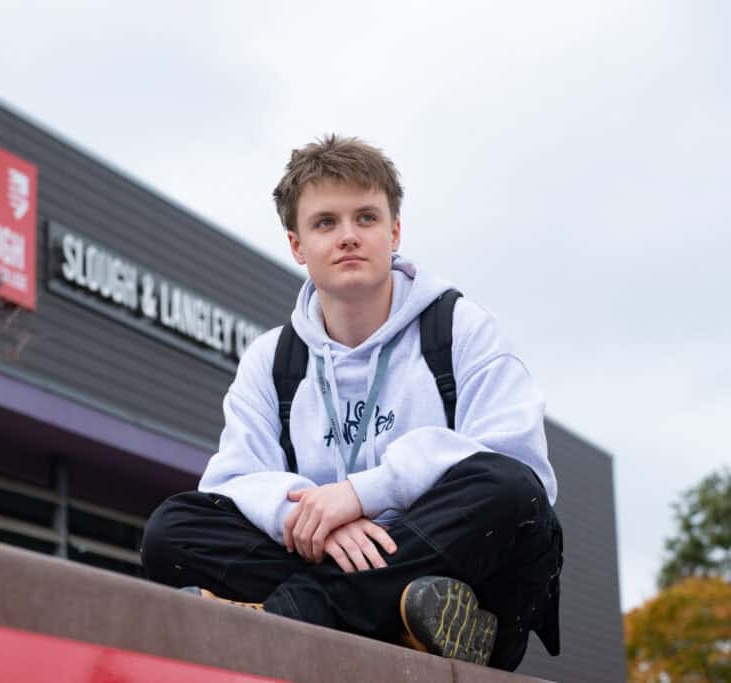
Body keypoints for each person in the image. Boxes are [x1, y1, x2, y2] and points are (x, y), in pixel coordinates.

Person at [140, 135, 562, 671]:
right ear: (296, 245)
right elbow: (232, 478)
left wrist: (363, 494)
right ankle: (401, 627)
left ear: (394, 231)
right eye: (325, 223)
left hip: (461, 570)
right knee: (170, 531)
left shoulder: (458, 327)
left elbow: (521, 468)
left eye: (366, 217)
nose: (348, 237)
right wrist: (323, 514)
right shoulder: (274, 359)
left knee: (510, 490)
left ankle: (297, 613)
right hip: (408, 594)